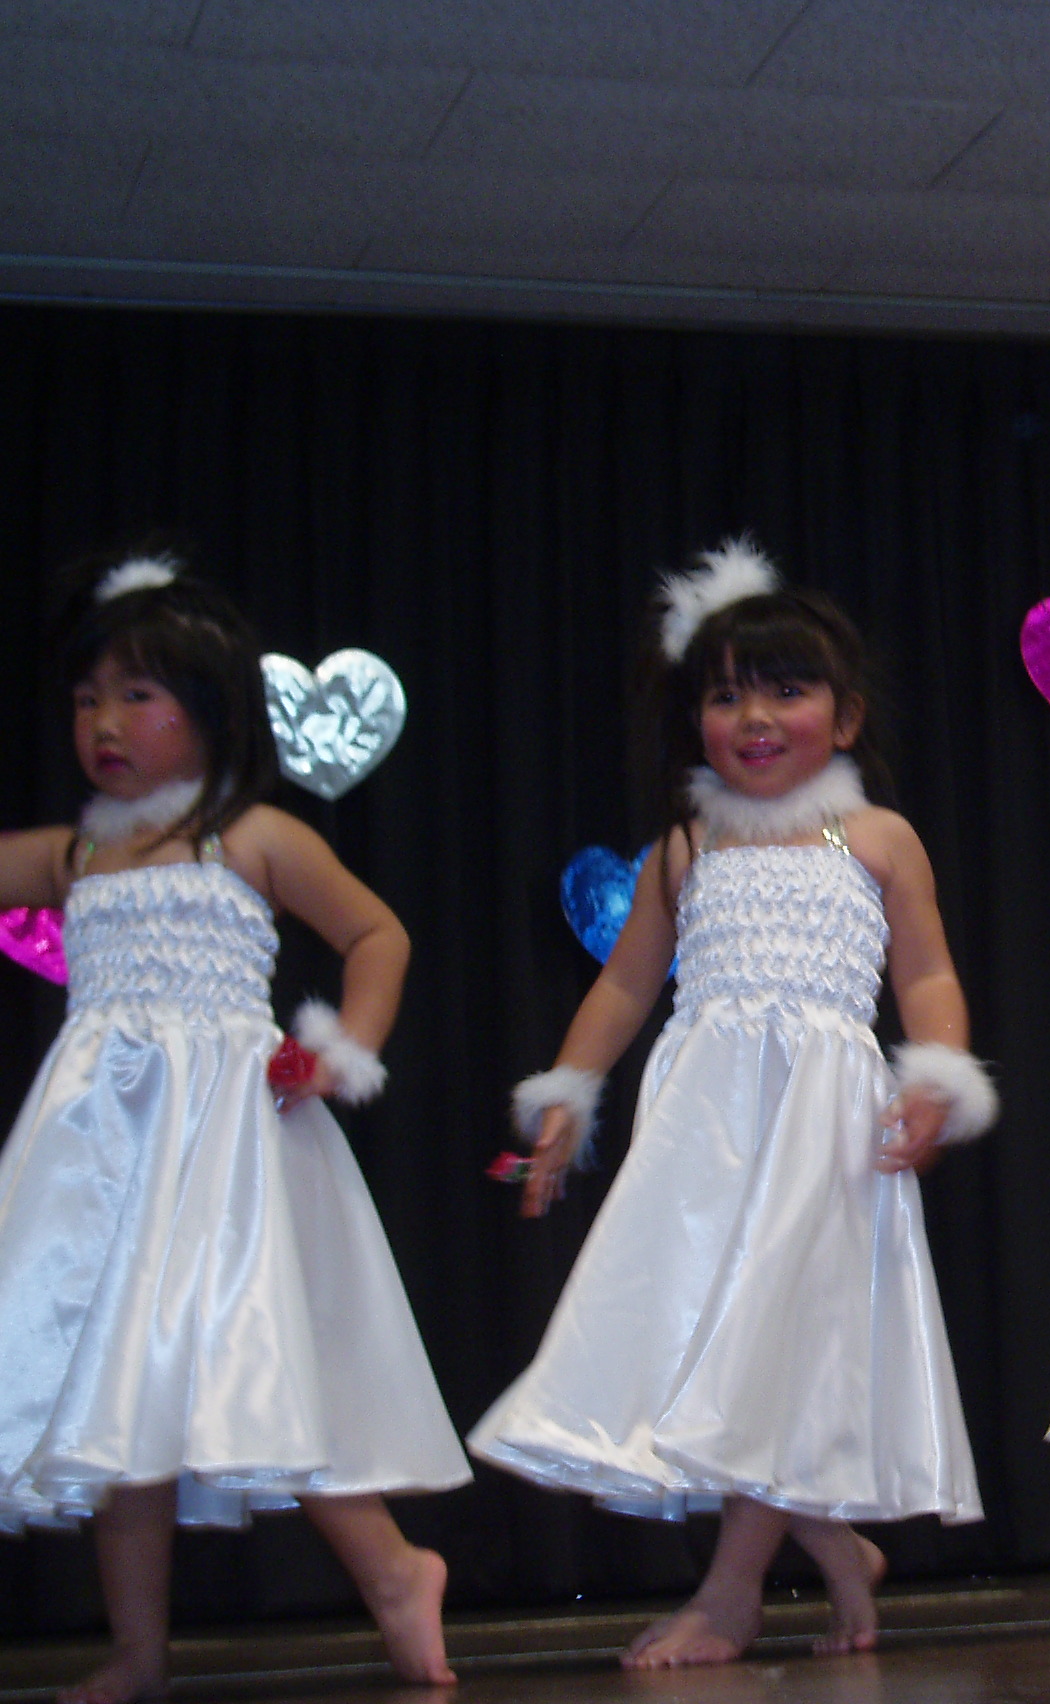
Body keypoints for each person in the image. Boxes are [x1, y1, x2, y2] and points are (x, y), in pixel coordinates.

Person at [470, 541, 991, 1664]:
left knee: (774, 1343)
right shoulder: (686, 847)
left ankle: (730, 1595)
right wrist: (567, 1096)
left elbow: (928, 976)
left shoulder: (876, 839)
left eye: (784, 690)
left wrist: (936, 1078)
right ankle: (836, 1551)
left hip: (824, 1128)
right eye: (724, 696)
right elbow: (624, 985)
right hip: (706, 1132)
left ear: (846, 719)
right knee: (717, 1347)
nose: (753, 716)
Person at [0, 554, 466, 1700]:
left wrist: (341, 1049)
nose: (105, 723)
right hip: (105, 1156)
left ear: (210, 711)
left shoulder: (248, 837)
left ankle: (395, 1571)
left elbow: (378, 934)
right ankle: (139, 1648)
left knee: (254, 1363)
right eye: (86, 700)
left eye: (137, 695)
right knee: (117, 1395)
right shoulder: (78, 851)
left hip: (228, 1147)